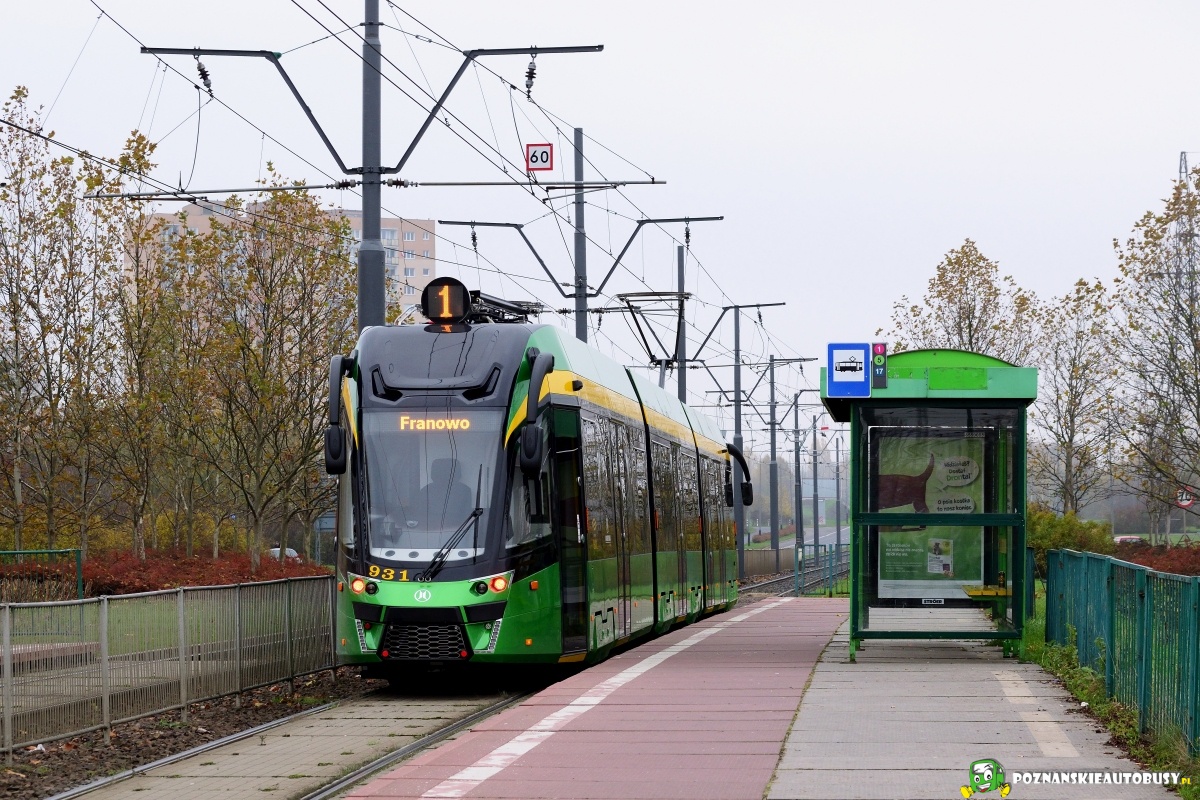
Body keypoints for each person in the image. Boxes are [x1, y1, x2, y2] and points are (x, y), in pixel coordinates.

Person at [418, 458, 474, 531]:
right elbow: (421, 518)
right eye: (441, 472)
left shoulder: (465, 491)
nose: (444, 475)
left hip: (457, 532)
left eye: (446, 472)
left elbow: (466, 517)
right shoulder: (426, 491)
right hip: (430, 532)